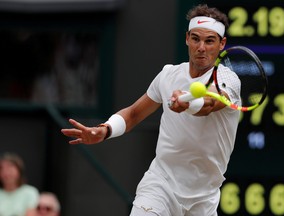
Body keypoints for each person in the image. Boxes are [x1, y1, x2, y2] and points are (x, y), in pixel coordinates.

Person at [61, 4, 241, 216]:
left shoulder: (228, 79)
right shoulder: (167, 75)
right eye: (195, 39)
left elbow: (210, 104)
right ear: (187, 39)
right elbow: (134, 114)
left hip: (204, 199)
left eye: (209, 41)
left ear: (222, 44)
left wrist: (189, 105)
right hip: (161, 184)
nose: (201, 47)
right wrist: (105, 130)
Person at [0, 152, 39, 216]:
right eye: (1, 168)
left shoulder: (30, 192)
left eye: (10, 167)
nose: (6, 172)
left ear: (19, 170)